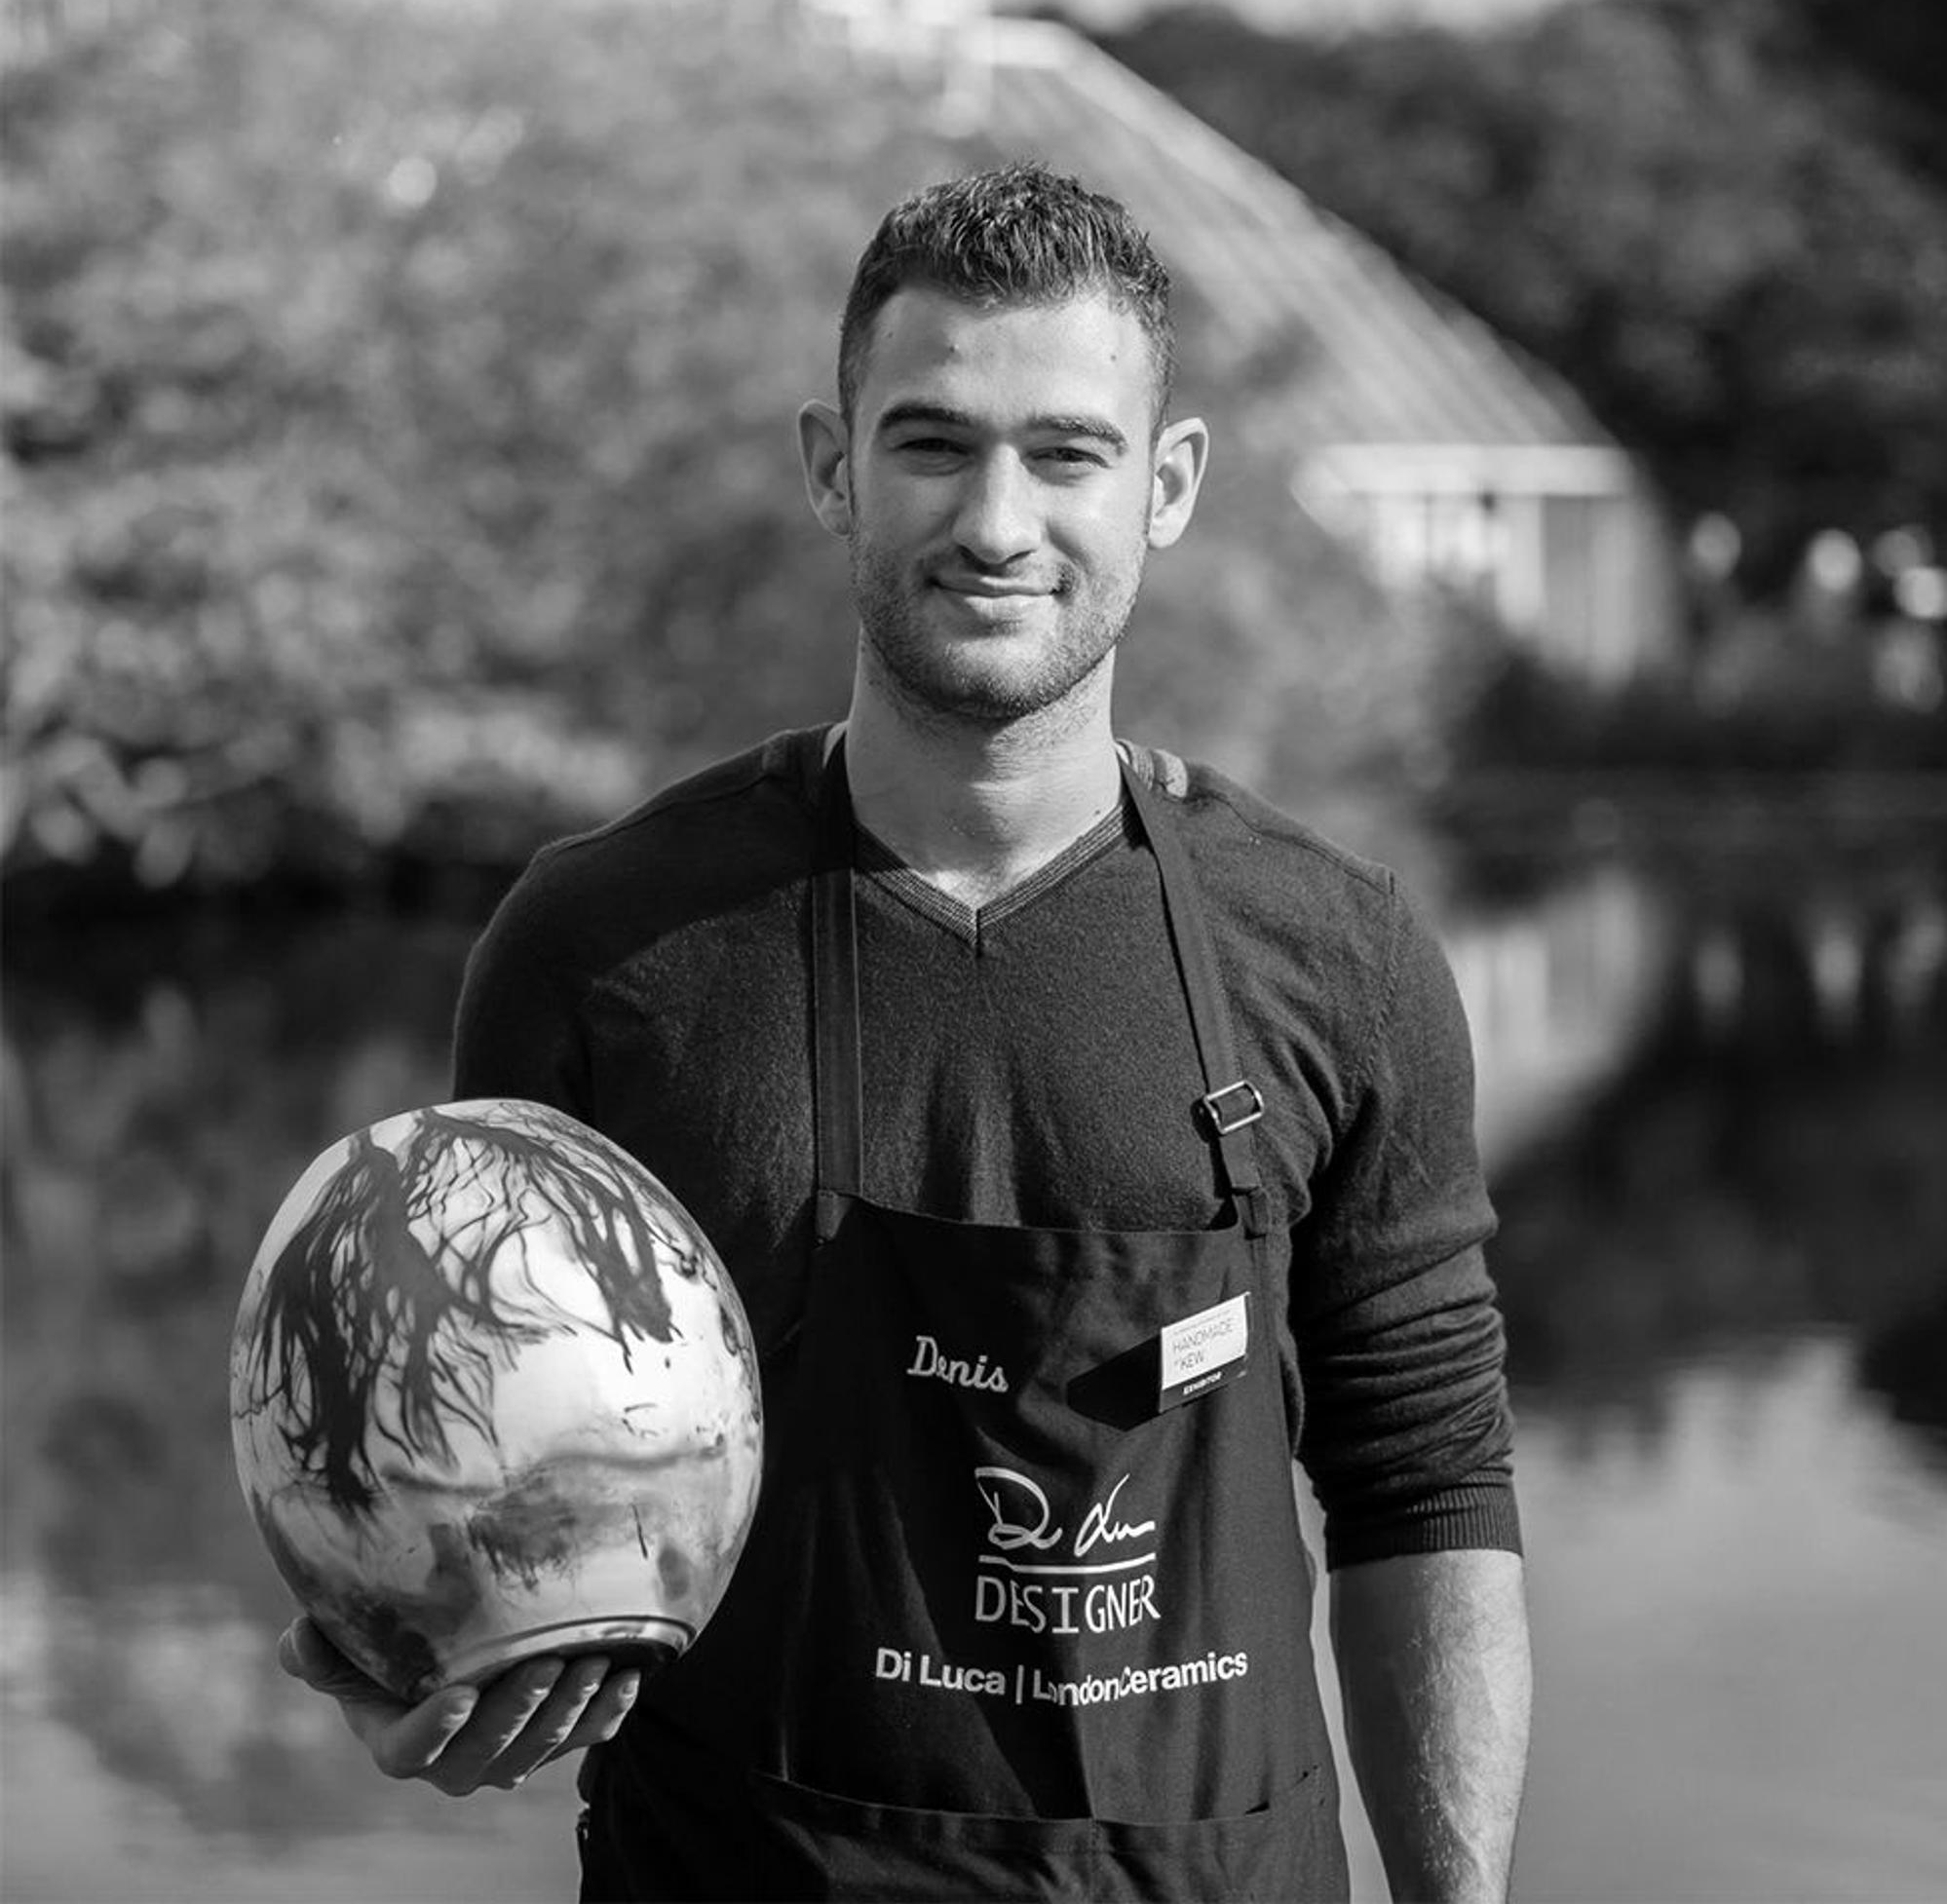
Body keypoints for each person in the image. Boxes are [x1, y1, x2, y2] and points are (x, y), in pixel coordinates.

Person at [281, 162, 1532, 1902]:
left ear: (1168, 485)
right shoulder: (600, 948)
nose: (997, 522)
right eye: (933, 443)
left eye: (1068, 454)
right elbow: (471, 1446)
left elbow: (1425, 1480)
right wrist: (415, 1646)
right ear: (832, 467)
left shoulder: (1339, 954)